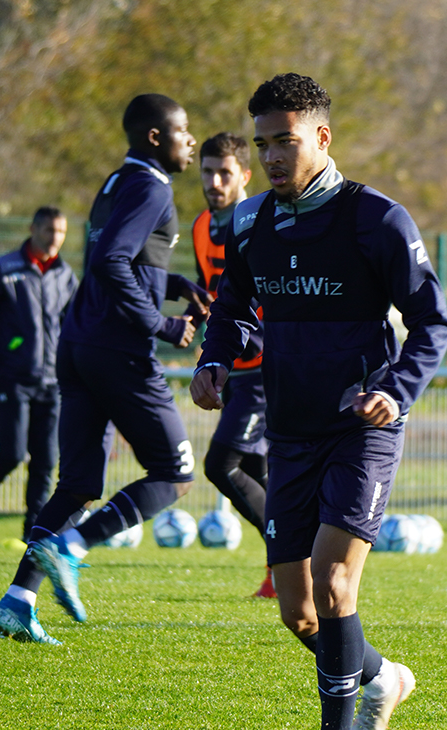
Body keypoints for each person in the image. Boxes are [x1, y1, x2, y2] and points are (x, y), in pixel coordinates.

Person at [190, 74, 447, 730]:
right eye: (264, 144)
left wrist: (394, 392)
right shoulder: (249, 225)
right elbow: (233, 304)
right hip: (292, 431)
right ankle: (383, 677)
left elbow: (433, 324)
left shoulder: (376, 220)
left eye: (287, 141)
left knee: (337, 586)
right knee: (300, 614)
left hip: (362, 427)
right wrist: (215, 358)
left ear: (322, 138)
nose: (274, 157)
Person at [0, 93, 210, 644]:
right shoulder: (152, 187)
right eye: (183, 130)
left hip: (79, 343)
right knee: (175, 474)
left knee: (80, 483)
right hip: (118, 350)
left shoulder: (116, 182)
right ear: (154, 137)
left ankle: (18, 601)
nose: (191, 139)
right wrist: (161, 323)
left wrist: (175, 284)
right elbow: (113, 260)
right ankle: (72, 547)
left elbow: (121, 258)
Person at [0, 207, 76, 543]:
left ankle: (33, 536)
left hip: (53, 382)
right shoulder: (4, 268)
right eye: (49, 231)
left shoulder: (65, 275)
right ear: (33, 229)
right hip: (13, 378)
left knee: (45, 461)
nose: (55, 238)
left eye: (61, 232)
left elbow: (75, 326)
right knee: (12, 453)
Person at [192, 132, 274, 598]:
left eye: (224, 173)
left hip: (265, 365)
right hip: (232, 366)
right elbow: (218, 295)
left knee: (222, 464)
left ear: (244, 174)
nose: (215, 181)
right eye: (207, 171)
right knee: (258, 472)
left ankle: (293, 555)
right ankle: (280, 574)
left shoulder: (262, 219)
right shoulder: (203, 226)